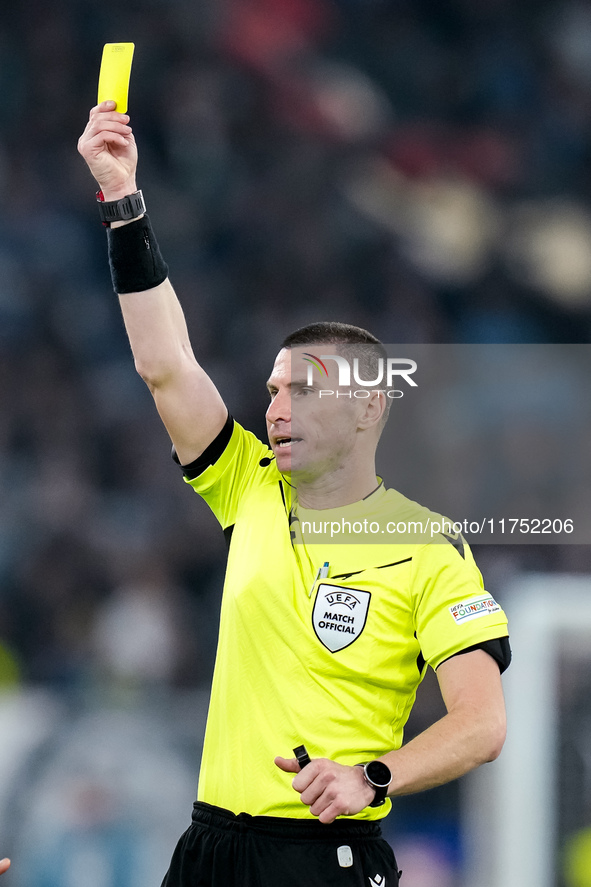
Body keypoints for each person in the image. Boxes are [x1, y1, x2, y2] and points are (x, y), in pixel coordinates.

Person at [78, 101, 511, 887]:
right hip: (208, 847)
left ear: (368, 408)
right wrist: (122, 202)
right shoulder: (246, 483)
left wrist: (371, 777)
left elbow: (481, 724)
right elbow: (165, 362)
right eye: (272, 389)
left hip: (323, 857)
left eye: (303, 390)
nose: (276, 408)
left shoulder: (426, 543)